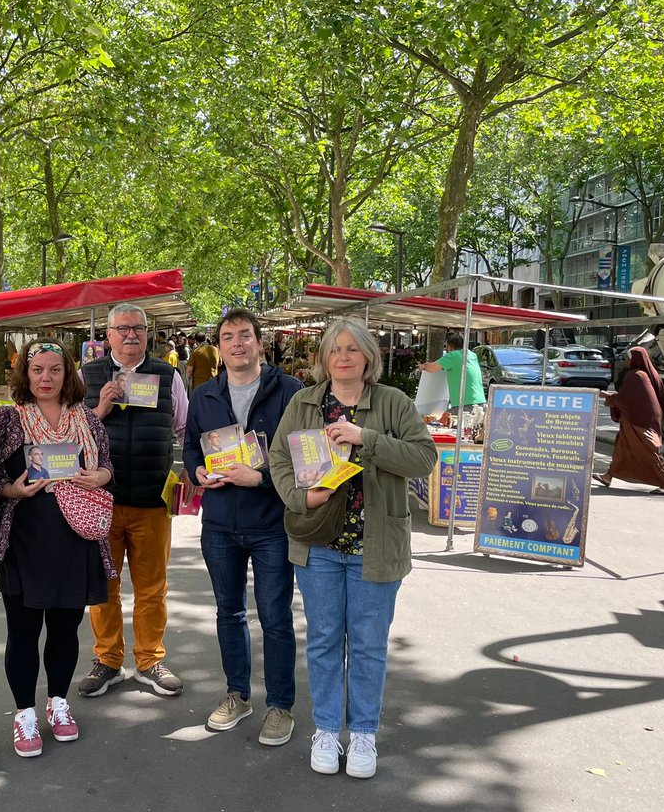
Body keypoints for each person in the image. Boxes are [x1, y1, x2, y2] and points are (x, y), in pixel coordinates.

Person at [269, 316, 435, 780]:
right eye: (334, 349)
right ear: (324, 359)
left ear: (368, 357)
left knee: (367, 645)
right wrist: (303, 497)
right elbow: (279, 458)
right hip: (318, 543)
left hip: (375, 545)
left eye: (352, 349)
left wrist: (368, 439)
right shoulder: (304, 402)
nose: (343, 357)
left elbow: (424, 459)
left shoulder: (392, 403)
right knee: (323, 640)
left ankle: (363, 732)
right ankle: (326, 728)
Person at [0, 339, 115, 757]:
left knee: (64, 629)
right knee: (22, 631)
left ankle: (58, 704)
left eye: (55, 369)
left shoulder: (88, 421)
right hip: (23, 542)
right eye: (37, 370)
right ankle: (24, 714)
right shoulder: (7, 420)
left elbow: (109, 464)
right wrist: (12, 489)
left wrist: (102, 477)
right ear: (25, 374)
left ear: (67, 374)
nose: (46, 378)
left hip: (76, 540)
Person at [184, 308, 304, 746]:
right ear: (220, 346)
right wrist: (196, 474)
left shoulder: (290, 391)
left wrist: (264, 478)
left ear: (259, 342)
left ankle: (280, 706)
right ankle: (238, 694)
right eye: (229, 336)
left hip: (272, 523)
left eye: (245, 335)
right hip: (219, 524)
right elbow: (191, 450)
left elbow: (305, 459)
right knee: (228, 613)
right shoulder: (203, 396)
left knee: (275, 618)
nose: (238, 343)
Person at [79, 303, 190, 697]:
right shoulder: (86, 376)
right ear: (107, 335)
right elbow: (69, 435)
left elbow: (184, 429)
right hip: (100, 501)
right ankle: (108, 660)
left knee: (152, 587)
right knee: (103, 587)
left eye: (138, 329)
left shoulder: (167, 375)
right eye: (122, 329)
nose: (130, 336)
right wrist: (99, 409)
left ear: (149, 334)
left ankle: (149, 660)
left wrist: (191, 473)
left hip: (151, 500)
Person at [593, 346, 664, 494]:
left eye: (629, 358)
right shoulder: (648, 374)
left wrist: (609, 397)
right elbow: (634, 397)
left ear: (635, 359)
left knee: (649, 451)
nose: (626, 362)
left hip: (640, 421)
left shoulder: (635, 375)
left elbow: (625, 399)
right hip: (643, 418)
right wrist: (613, 398)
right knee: (622, 447)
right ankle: (608, 476)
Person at [419, 332, 485, 412]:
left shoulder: (452, 356)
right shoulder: (472, 355)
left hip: (464, 404)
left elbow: (432, 368)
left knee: (442, 421)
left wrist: (423, 366)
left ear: (449, 347)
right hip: (480, 401)